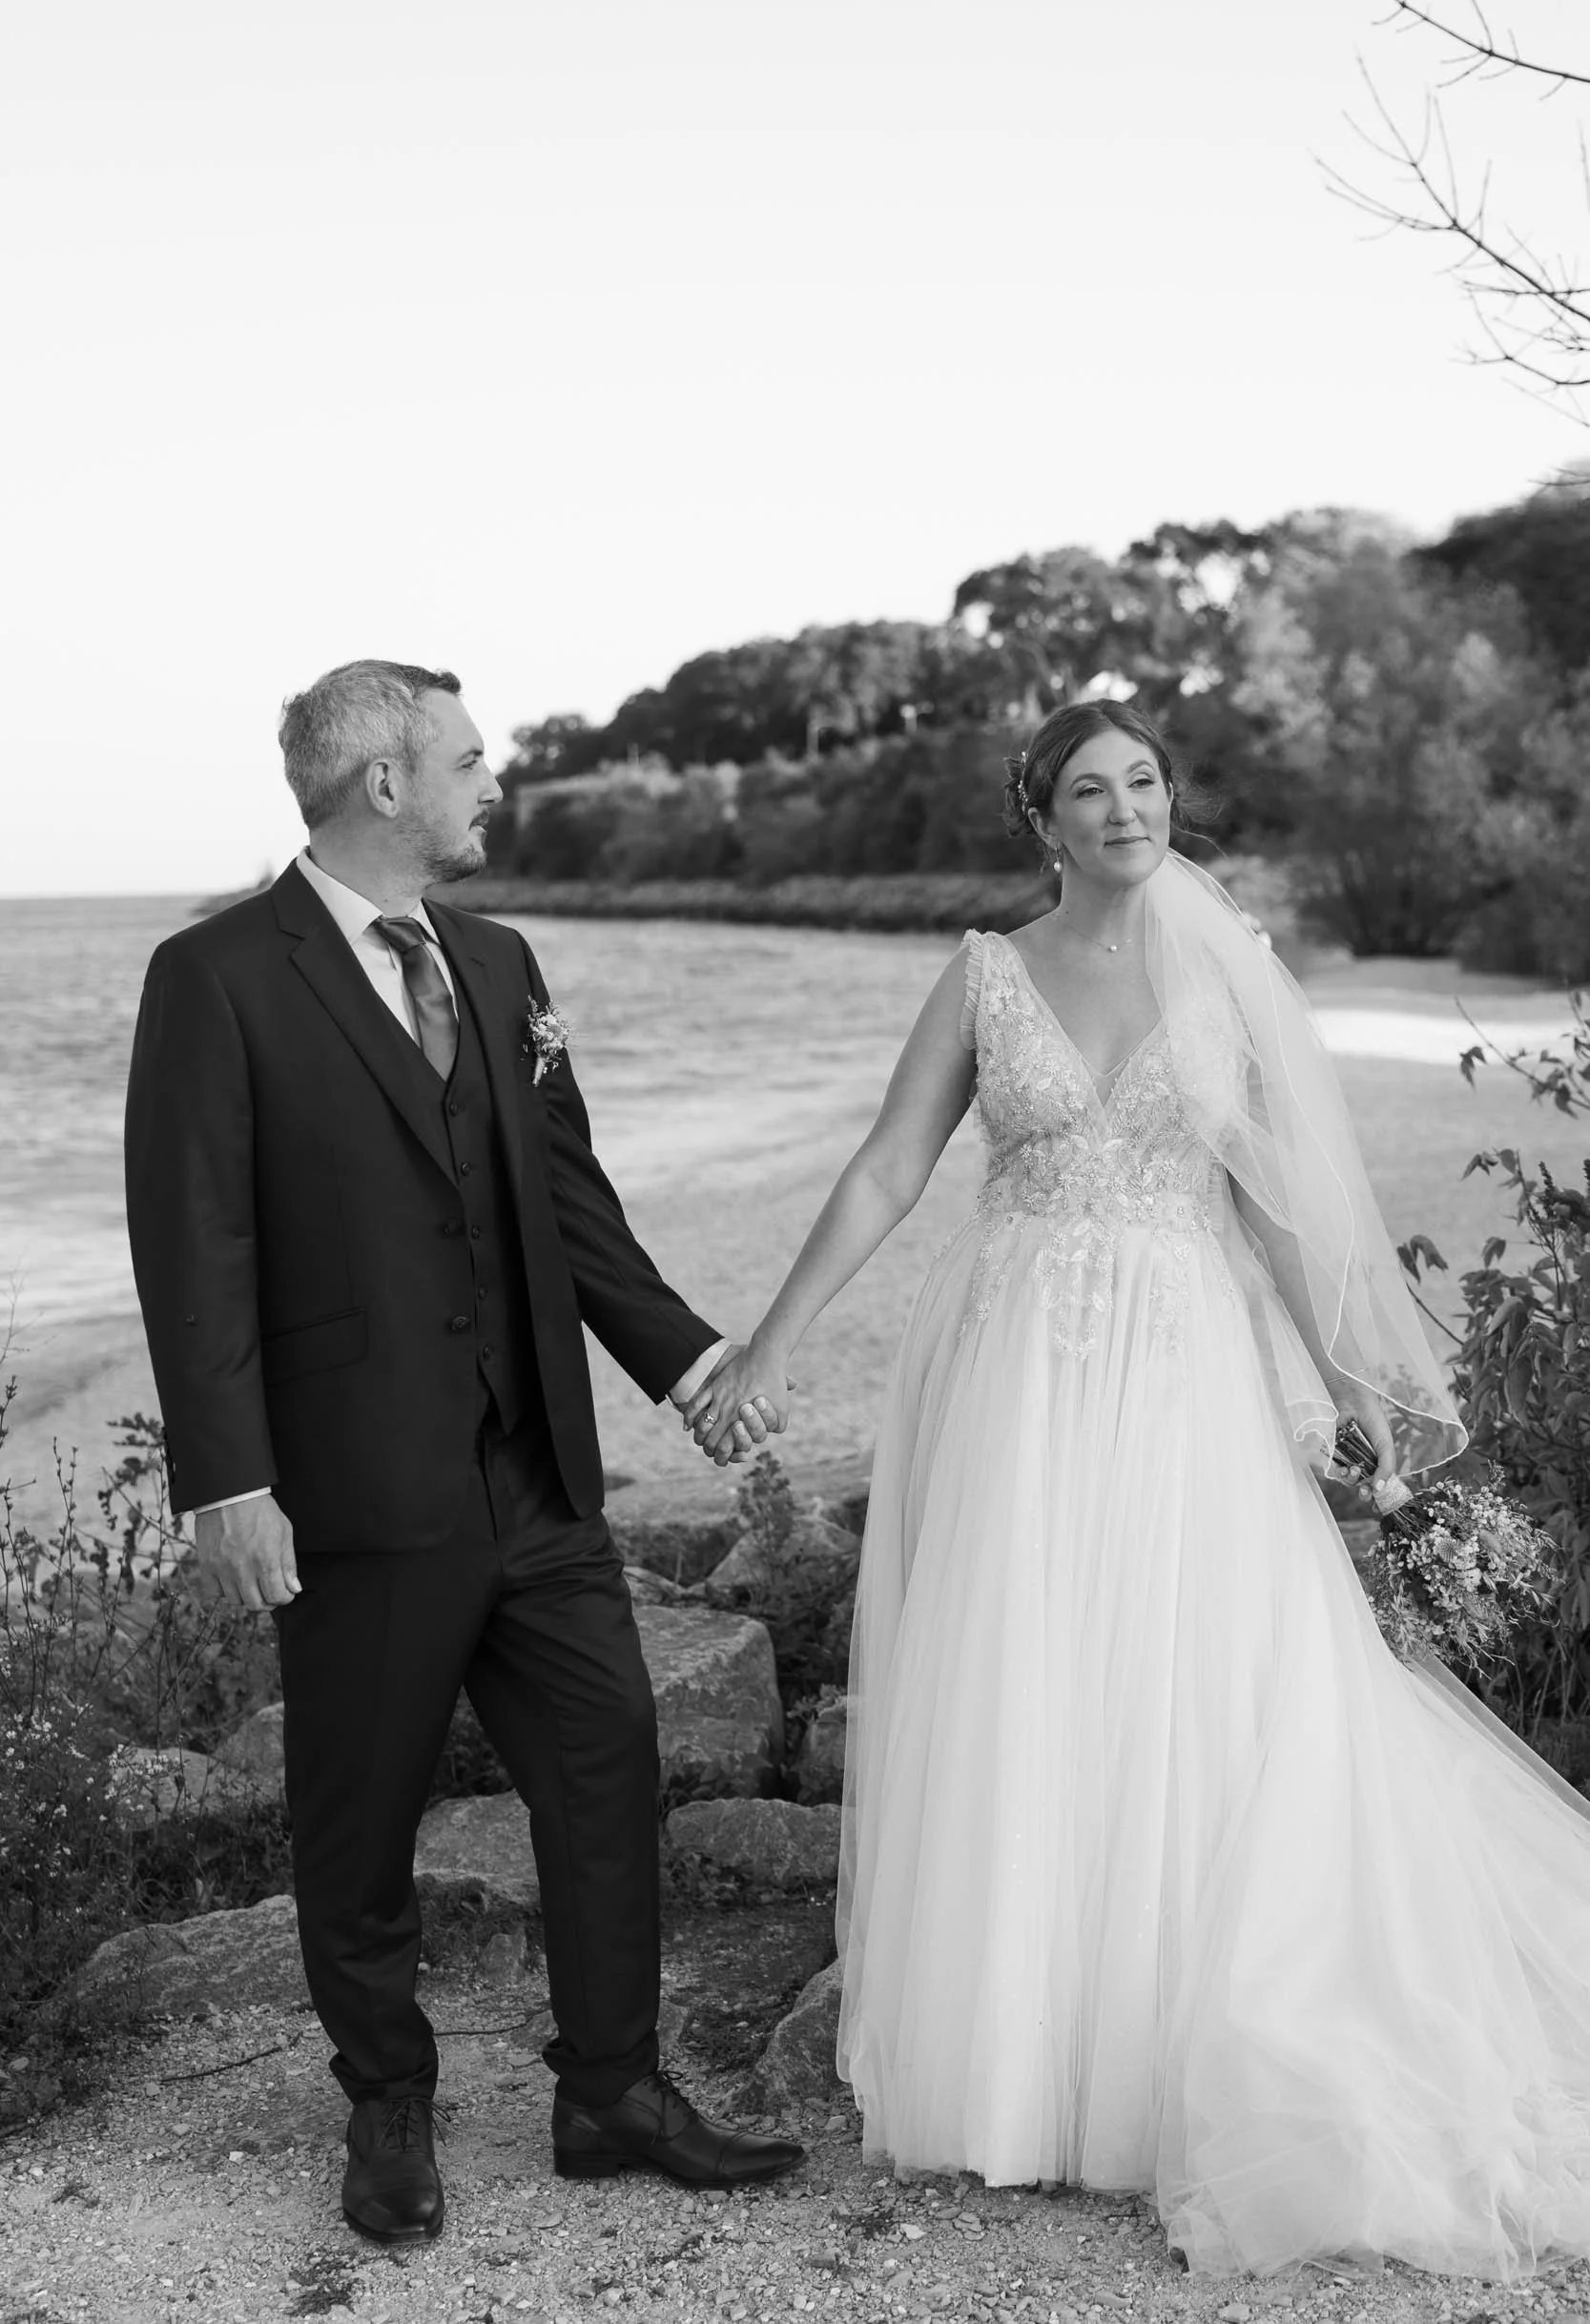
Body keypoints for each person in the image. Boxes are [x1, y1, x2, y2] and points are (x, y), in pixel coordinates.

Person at [684, 698, 1590, 2280]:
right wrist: (767, 1345)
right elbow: (892, 1166)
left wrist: (1359, 1400)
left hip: (1183, 1369)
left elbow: (1287, 1212)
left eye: (1146, 781)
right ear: (1041, 820)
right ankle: (1031, 2063)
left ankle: (1183, 2042)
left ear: (1172, 800)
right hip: (1016, 1365)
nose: (1125, 810)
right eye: (1089, 790)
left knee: (1198, 1675)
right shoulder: (984, 972)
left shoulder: (1224, 978)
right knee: (1026, 1676)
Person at [123, 659, 802, 2246]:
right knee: (355, 1812)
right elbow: (194, 1242)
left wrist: (687, 1360)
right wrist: (228, 1482)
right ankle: (389, 2105)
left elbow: (565, 1195)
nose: (495, 781)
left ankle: (611, 2093)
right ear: (383, 784)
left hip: (535, 1469)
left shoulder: (495, 960)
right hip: (352, 1480)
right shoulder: (214, 974)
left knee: (604, 1756)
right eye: (472, 759)